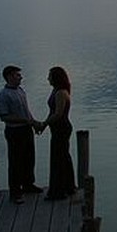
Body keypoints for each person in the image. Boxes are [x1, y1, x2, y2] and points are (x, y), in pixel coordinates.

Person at [0, 65, 43, 204]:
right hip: (14, 131)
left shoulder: (21, 91)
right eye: (17, 75)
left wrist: (33, 122)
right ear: (10, 76)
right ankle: (15, 192)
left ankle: (28, 184)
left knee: (29, 158)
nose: (20, 77)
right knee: (16, 161)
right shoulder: (3, 95)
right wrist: (25, 120)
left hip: (26, 129)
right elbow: (4, 116)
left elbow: (26, 111)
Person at [42, 66, 77, 200]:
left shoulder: (61, 93)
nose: (48, 79)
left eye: (50, 76)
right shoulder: (56, 91)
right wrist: (46, 123)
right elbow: (53, 113)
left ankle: (59, 190)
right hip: (57, 128)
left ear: (56, 77)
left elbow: (58, 114)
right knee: (62, 156)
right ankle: (68, 186)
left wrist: (44, 124)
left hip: (61, 128)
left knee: (59, 158)